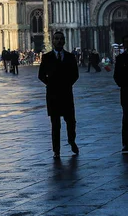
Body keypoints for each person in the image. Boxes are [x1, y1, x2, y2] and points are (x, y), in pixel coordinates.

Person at [38, 31, 80, 159]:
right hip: (53, 96)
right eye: (56, 39)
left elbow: (75, 75)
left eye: (61, 39)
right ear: (53, 41)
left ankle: (71, 141)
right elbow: (41, 75)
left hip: (66, 94)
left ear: (65, 41)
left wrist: (67, 84)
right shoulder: (46, 57)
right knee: (55, 124)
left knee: (71, 121)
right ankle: (56, 150)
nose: (59, 41)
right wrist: (50, 84)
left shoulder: (70, 57)